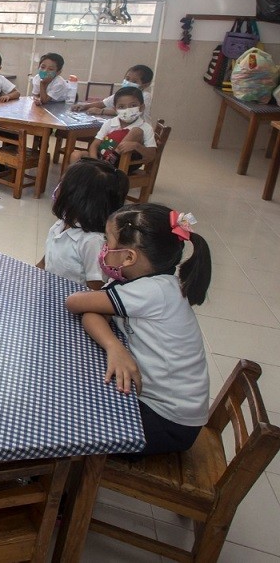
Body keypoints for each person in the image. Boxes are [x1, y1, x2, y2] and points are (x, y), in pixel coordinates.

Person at [66, 204, 211, 456]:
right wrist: (114, 346)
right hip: (163, 409)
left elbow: (75, 302)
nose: (103, 249)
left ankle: (59, 484)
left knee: (73, 423)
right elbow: (91, 311)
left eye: (106, 241)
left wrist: (112, 344)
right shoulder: (142, 281)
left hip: (168, 423)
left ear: (129, 257)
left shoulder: (152, 292)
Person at [38, 159, 128, 290]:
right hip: (48, 293)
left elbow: (95, 290)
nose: (57, 188)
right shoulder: (61, 224)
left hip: (72, 305)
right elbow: (45, 262)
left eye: (62, 184)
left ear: (78, 198)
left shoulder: (93, 242)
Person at [70, 86, 156, 167]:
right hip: (101, 159)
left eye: (133, 106)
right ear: (115, 109)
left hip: (122, 164)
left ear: (141, 107)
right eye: (121, 107)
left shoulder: (146, 127)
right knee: (76, 155)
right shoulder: (109, 123)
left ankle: (107, 164)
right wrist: (95, 162)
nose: (127, 110)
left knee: (136, 131)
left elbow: (151, 156)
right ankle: (70, 181)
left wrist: (136, 146)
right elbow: (95, 145)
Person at [72, 65, 154, 120]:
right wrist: (84, 106)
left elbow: (130, 112)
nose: (128, 82)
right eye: (127, 79)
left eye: (134, 81)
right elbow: (102, 103)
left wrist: (101, 111)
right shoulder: (121, 94)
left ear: (145, 85)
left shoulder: (145, 96)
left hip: (139, 132)